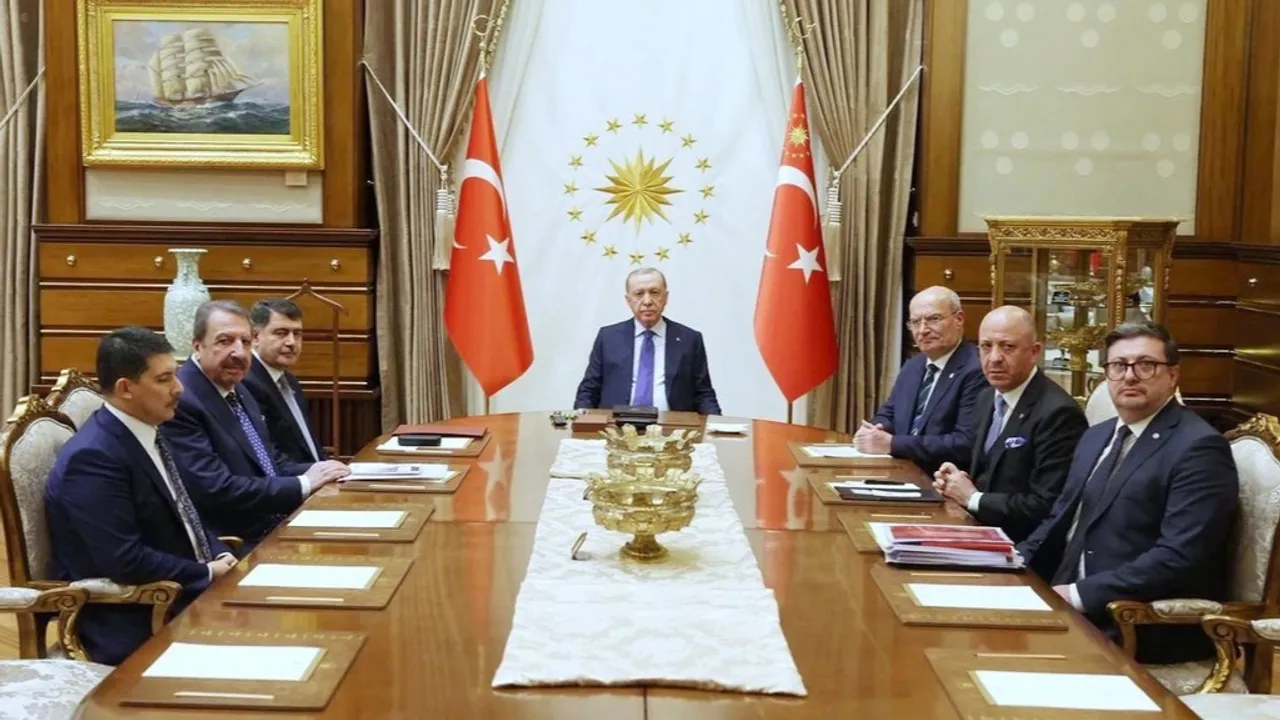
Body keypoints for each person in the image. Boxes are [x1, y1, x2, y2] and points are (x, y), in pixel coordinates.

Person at [1017, 321, 1238, 663]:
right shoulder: (1096, 436)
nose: (1130, 376)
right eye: (1119, 366)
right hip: (1067, 602)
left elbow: (1178, 557)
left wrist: (1078, 594)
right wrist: (1011, 561)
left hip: (1134, 622)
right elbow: (1060, 518)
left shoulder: (1199, 448)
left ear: (1173, 375)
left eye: (1145, 365)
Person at [45, 327, 236, 664]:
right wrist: (206, 573)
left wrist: (218, 553)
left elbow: (185, 512)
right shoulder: (93, 459)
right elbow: (124, 559)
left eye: (175, 374)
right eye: (164, 379)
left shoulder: (148, 428)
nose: (179, 388)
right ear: (125, 388)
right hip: (141, 619)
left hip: (186, 593)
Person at [161, 300, 348, 545]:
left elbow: (269, 461)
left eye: (246, 342)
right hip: (234, 542)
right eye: (225, 341)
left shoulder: (237, 388)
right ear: (197, 345)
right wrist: (303, 483)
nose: (239, 353)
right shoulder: (183, 400)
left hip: (277, 524)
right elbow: (216, 488)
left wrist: (323, 471)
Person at [933, 306, 1087, 541]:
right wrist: (954, 480)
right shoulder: (987, 397)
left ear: (1034, 352)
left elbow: (1046, 506)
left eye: (1008, 347)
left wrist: (973, 498)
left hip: (1022, 546)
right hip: (977, 531)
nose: (994, 358)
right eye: (986, 346)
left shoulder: (1058, 414)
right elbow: (987, 471)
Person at [853, 286, 986, 473]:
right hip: (899, 472)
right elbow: (889, 414)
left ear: (958, 319)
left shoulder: (976, 369)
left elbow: (964, 443)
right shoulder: (914, 365)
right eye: (916, 322)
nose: (923, 330)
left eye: (933, 319)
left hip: (941, 479)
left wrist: (893, 444)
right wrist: (874, 430)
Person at [573, 267, 721, 414]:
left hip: (673, 425)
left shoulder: (690, 339)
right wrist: (581, 420)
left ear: (666, 297)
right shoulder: (608, 337)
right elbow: (589, 389)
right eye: (639, 294)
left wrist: (716, 424)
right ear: (628, 300)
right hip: (616, 423)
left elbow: (703, 394)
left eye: (654, 292)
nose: (647, 301)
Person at [243, 299, 324, 464]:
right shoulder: (246, 383)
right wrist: (315, 472)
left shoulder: (290, 381)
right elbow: (268, 457)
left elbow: (307, 445)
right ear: (255, 337)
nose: (291, 342)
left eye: (297, 334)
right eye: (281, 333)